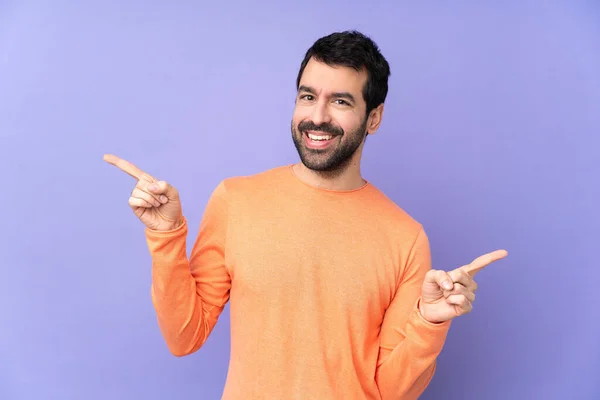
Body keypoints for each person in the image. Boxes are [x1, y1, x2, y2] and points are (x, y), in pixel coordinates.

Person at [104, 30, 507, 400]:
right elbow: (184, 337)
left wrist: (430, 323)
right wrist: (167, 235)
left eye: (341, 101)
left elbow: (390, 391)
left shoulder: (406, 238)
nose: (317, 117)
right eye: (308, 96)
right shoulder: (236, 200)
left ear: (374, 118)